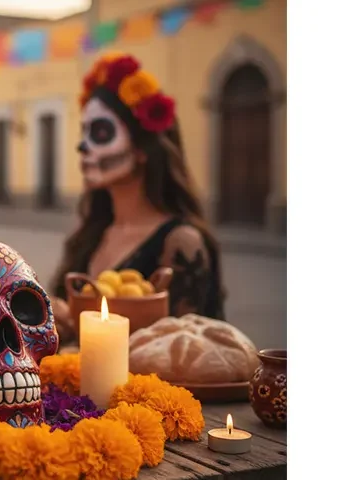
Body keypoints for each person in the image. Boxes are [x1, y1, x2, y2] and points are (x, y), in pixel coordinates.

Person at [50, 53, 226, 338]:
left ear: (143, 148)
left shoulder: (181, 242)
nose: (82, 146)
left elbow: (189, 351)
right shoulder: (91, 235)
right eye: (84, 132)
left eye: (101, 131)